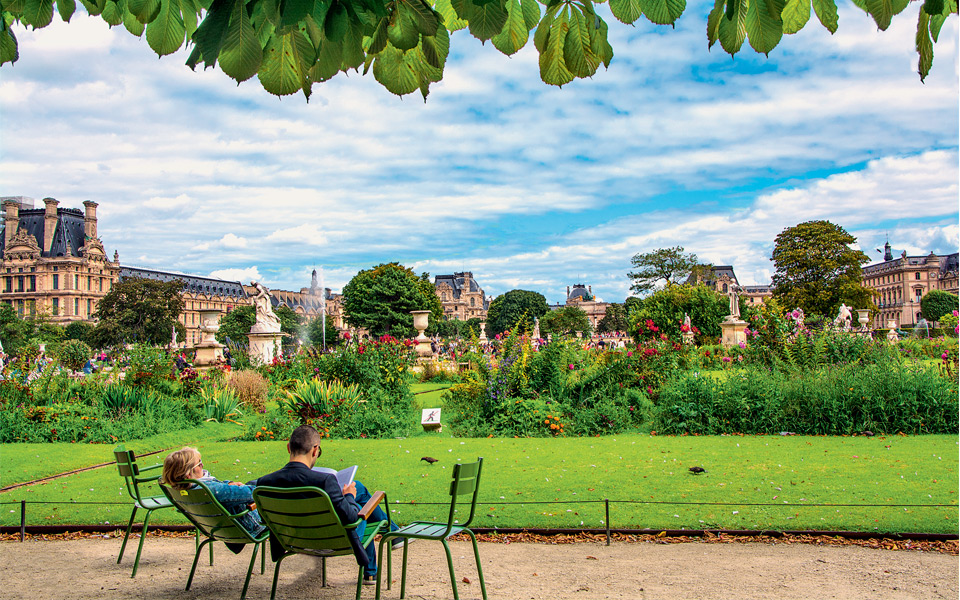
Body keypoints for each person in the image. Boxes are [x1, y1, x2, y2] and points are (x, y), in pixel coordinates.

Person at [250, 425, 398, 585]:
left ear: (288, 447)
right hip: (335, 541)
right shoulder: (324, 481)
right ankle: (388, 542)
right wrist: (349, 495)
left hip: (292, 541)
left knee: (358, 490)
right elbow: (351, 518)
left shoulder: (265, 483)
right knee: (360, 498)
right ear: (315, 450)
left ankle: (376, 564)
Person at [161, 447, 265, 539]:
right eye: (199, 464)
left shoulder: (187, 491)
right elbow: (254, 493)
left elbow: (220, 490)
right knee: (270, 484)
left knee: (257, 482)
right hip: (251, 527)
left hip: (216, 530)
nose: (202, 465)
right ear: (188, 474)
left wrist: (228, 484)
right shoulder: (211, 490)